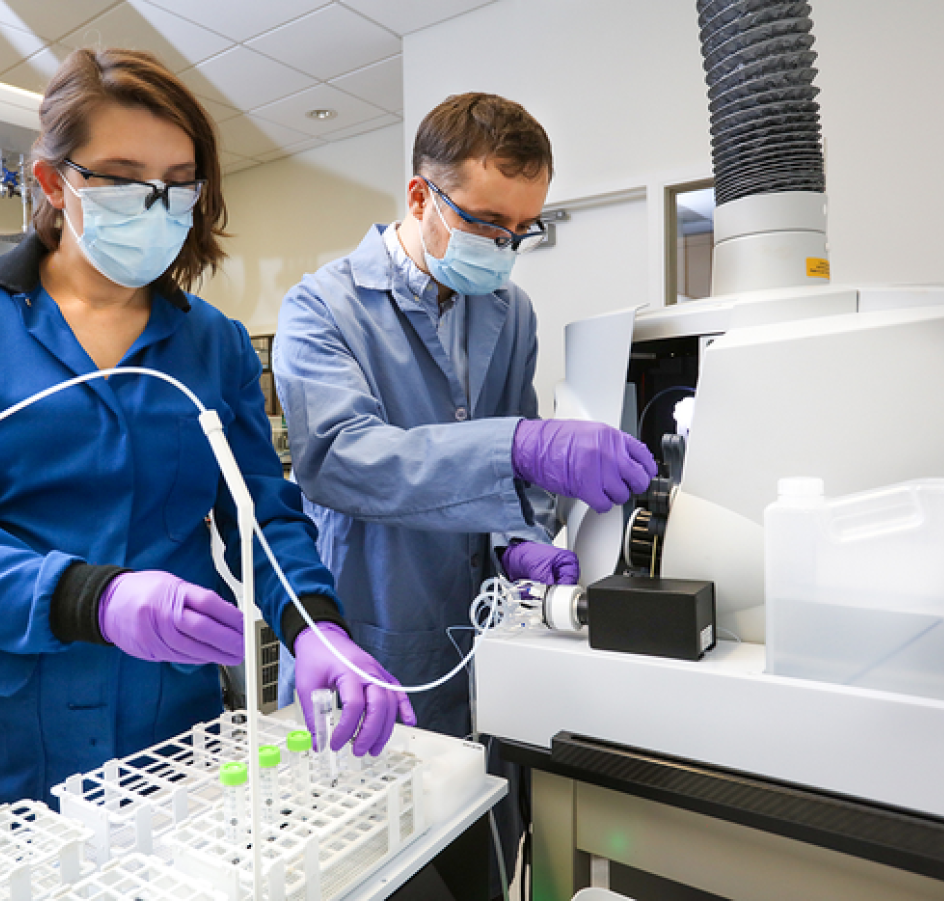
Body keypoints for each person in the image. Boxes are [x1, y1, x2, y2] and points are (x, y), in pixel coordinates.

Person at [0, 48, 412, 856]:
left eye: (178, 182)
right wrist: (92, 597)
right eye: (123, 178)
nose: (155, 203)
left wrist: (315, 626)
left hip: (160, 730)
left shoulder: (213, 344)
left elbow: (264, 518)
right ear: (53, 185)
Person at [272, 92, 655, 893]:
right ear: (420, 197)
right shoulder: (321, 307)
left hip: (481, 641)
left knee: (479, 865)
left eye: (523, 230)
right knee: (363, 871)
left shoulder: (510, 311)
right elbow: (344, 458)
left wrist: (522, 539)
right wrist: (522, 446)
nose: (506, 248)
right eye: (487, 223)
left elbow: (513, 468)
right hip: (368, 633)